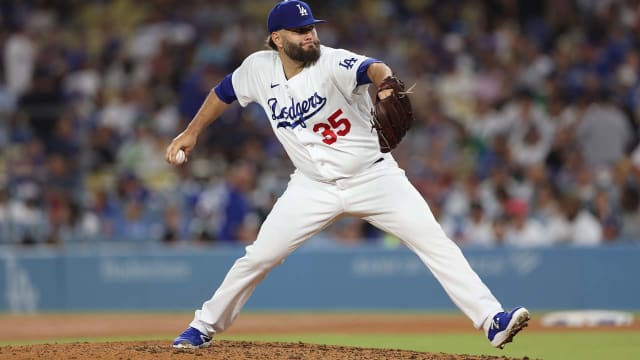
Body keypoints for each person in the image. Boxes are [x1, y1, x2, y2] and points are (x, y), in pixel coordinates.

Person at [167, 0, 528, 350]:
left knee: (434, 241)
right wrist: (192, 131)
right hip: (312, 186)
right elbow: (223, 92)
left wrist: (385, 83)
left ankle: (492, 319)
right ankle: (203, 325)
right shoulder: (257, 69)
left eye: (311, 28)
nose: (310, 36)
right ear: (277, 38)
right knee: (260, 256)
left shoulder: (332, 61)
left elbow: (374, 67)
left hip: (374, 178)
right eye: (299, 31)